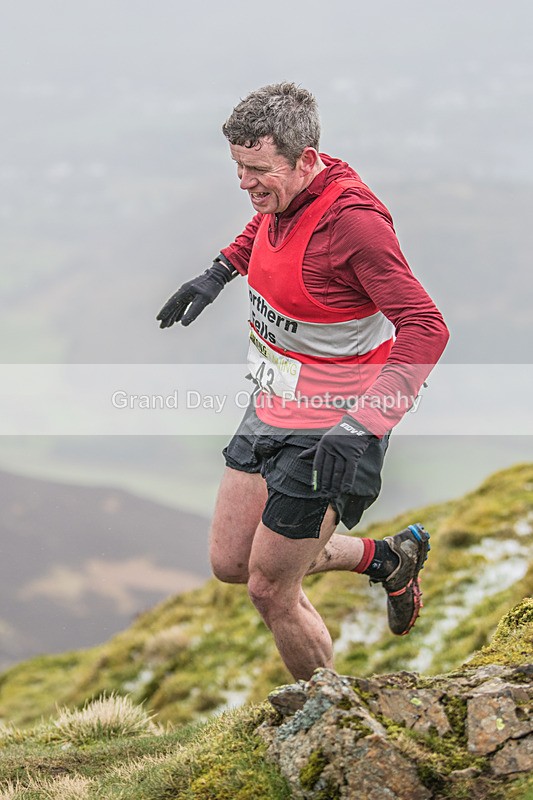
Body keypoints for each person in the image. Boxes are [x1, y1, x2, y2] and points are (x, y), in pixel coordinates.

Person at [157, 83, 449, 681]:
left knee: (268, 588)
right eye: (238, 167)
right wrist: (217, 274)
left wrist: (364, 424)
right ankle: (386, 557)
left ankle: (327, 717)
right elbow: (264, 223)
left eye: (257, 169)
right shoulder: (286, 191)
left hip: (334, 426)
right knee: (231, 562)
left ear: (307, 159)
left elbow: (426, 327)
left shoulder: (354, 228)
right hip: (273, 402)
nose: (244, 182)